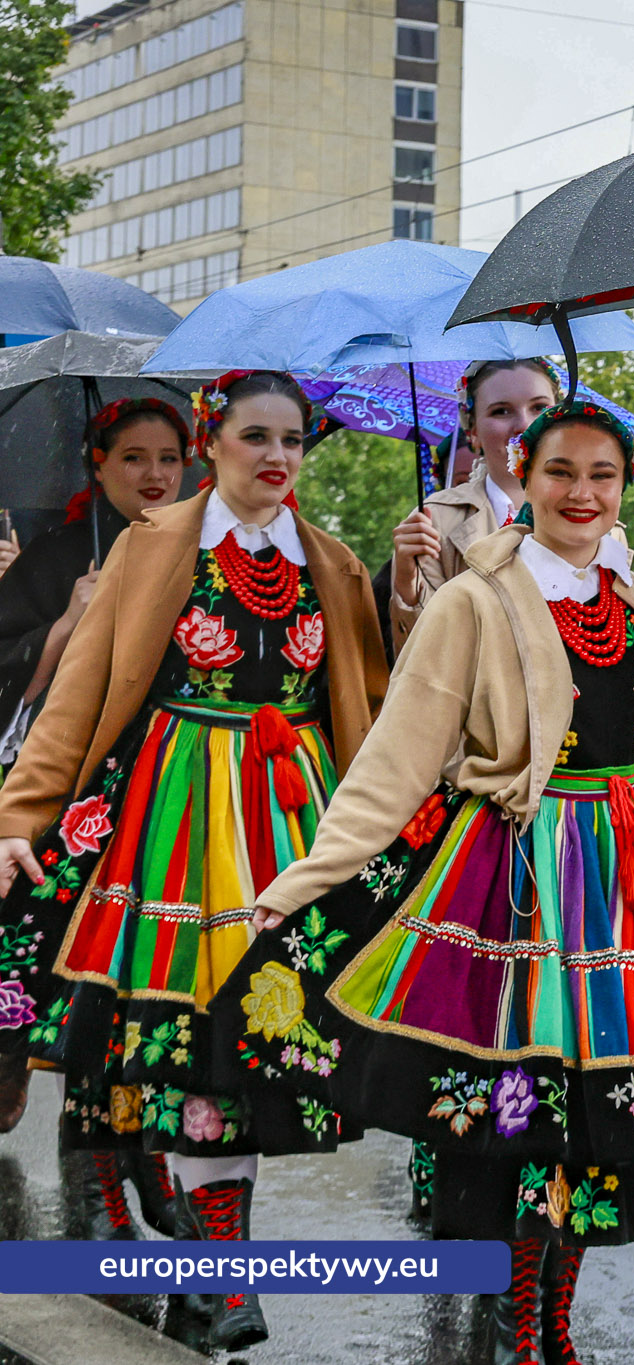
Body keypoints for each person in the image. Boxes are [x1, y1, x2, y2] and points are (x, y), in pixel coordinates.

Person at [213, 399, 634, 1365]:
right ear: (522, 476)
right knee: (524, 1113)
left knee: (602, 1119)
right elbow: (397, 761)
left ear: (625, 488)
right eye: (561, 471)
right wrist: (302, 884)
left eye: (602, 475)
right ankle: (516, 1321)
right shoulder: (474, 600)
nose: (581, 492)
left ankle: (551, 1322)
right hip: (518, 878)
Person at [0, 371, 388, 1354]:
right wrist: (20, 813)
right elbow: (80, 698)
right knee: (190, 1049)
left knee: (248, 1055)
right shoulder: (156, 544)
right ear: (213, 442)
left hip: (288, 824)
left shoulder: (332, 565)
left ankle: (215, 1267)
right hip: (169, 820)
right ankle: (216, 1274)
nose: (276, 457)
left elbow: (377, 724)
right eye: (255, 436)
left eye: (293, 440)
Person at [0, 398, 194, 1237]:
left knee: (135, 985)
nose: (154, 475)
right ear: (98, 464)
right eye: (133, 458)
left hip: (164, 794)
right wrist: (70, 620)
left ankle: (122, 1168)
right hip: (64, 790)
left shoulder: (203, 547)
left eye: (169, 457)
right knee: (56, 967)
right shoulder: (51, 559)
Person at [386, 358, 558, 655]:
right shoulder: (434, 521)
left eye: (540, 408)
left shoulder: (598, 519)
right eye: (501, 411)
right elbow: (424, 658)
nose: (524, 425)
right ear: (472, 431)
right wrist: (407, 584)